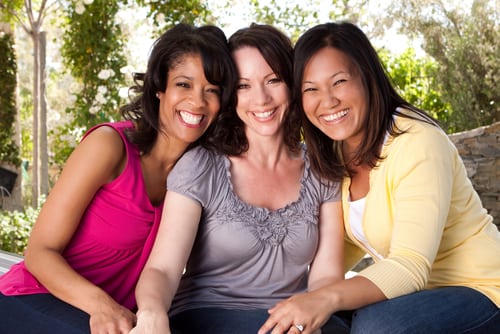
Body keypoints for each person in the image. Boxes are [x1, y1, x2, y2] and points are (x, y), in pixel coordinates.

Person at [258, 21, 500, 334]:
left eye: (339, 81)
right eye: (311, 89)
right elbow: (336, 252)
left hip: (482, 289)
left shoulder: (418, 141)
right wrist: (286, 297)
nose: (328, 101)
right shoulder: (335, 152)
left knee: (378, 326)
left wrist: (325, 298)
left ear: (368, 78)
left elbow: (410, 266)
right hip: (415, 296)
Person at [0, 23, 236, 334]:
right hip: (35, 297)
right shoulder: (110, 146)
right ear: (158, 88)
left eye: (212, 90)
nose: (198, 101)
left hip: (121, 319)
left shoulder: (204, 172)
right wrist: (101, 306)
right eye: (184, 84)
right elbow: (39, 252)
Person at [129, 23, 347, 334]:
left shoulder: (322, 169)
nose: (261, 99)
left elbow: (326, 275)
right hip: (206, 316)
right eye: (244, 86)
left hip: (294, 319)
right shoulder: (202, 166)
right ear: (231, 96)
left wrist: (308, 315)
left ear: (292, 84)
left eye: (273, 80)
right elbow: (163, 268)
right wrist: (151, 312)